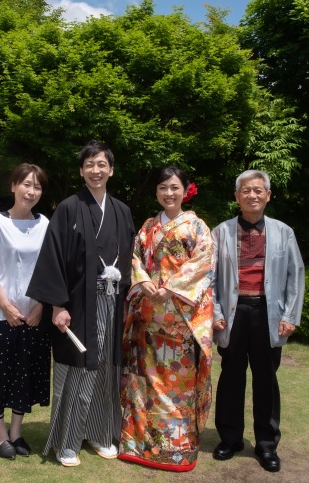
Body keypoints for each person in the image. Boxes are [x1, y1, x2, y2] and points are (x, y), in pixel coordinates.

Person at [25, 140, 135, 467]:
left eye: (101, 164)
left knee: (105, 369)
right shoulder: (69, 208)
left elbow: (131, 257)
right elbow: (53, 258)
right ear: (81, 171)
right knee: (77, 367)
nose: (96, 170)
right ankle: (68, 441)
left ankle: (101, 433)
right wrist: (57, 305)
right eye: (89, 165)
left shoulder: (122, 211)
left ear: (111, 170)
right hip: (78, 304)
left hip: (113, 303)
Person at [118, 166, 215, 472]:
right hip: (148, 318)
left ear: (186, 190)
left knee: (177, 387)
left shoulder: (198, 227)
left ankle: (177, 449)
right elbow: (134, 258)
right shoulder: (148, 226)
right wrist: (143, 282)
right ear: (157, 191)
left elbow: (202, 265)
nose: (168, 193)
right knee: (144, 384)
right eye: (163, 188)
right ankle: (138, 445)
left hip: (180, 321)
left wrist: (170, 288)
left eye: (174, 187)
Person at [211, 169, 304, 473]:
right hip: (233, 315)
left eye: (258, 190)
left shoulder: (283, 231)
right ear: (236, 197)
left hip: (268, 314)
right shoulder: (220, 232)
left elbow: (296, 275)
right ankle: (230, 438)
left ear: (268, 195)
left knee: (266, 378)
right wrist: (215, 312)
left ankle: (266, 444)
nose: (252, 195)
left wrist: (291, 315)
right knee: (231, 377)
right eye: (245, 191)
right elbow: (208, 278)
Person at [0, 163, 52, 461]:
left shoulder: (44, 224)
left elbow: (51, 270)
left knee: (24, 374)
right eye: (26, 184)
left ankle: (17, 432)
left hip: (33, 314)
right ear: (13, 186)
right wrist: (5, 306)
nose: (31, 191)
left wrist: (41, 305)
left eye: (37, 186)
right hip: (0, 314)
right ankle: (0, 433)